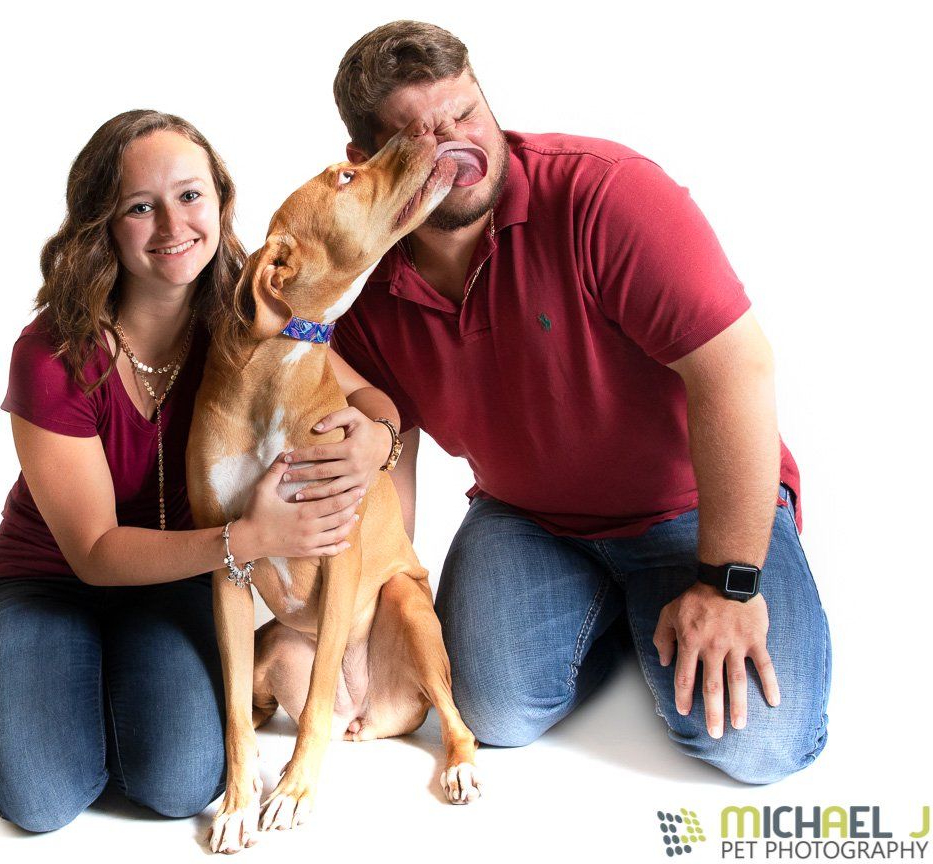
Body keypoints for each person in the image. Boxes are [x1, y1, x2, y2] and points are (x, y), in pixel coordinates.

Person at [312, 21, 832, 784]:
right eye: (418, 137)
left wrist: (729, 583)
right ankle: (622, 616)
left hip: (693, 506)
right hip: (528, 517)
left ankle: (664, 597)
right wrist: (378, 611)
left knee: (760, 747)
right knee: (491, 713)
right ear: (364, 163)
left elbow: (737, 371)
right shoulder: (365, 279)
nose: (457, 145)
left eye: (466, 113)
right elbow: (392, 453)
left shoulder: (606, 194)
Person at [0, 109, 400, 832]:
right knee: (38, 802)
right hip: (51, 583)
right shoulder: (52, 354)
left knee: (180, 787)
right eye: (140, 207)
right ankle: (69, 682)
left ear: (221, 201)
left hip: (178, 579)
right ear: (103, 226)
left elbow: (366, 397)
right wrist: (251, 538)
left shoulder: (251, 313)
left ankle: (120, 694)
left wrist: (376, 438)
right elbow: (95, 551)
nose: (173, 225)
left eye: (190, 195)